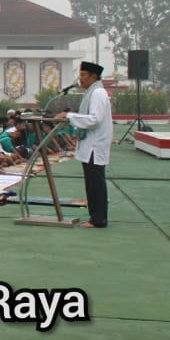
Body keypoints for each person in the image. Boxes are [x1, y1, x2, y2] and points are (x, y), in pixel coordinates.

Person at [56, 61, 113, 229]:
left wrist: (69, 116)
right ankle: (95, 216)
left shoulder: (98, 93)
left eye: (83, 75)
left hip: (95, 145)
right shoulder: (92, 92)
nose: (80, 79)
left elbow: (95, 119)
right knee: (92, 182)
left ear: (93, 77)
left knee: (96, 183)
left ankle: (98, 219)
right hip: (91, 145)